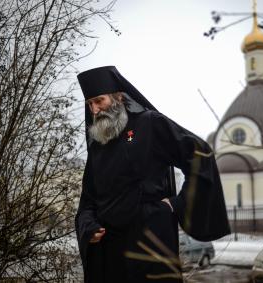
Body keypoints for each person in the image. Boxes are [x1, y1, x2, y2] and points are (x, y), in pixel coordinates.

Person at [75, 66, 230, 283]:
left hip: (150, 239)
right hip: (109, 249)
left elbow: (200, 155)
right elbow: (88, 200)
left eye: (99, 101)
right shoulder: (98, 145)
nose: (95, 109)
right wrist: (88, 226)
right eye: (90, 104)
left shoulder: (150, 123)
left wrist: (177, 203)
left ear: (118, 96)